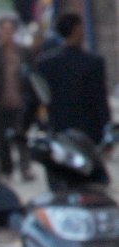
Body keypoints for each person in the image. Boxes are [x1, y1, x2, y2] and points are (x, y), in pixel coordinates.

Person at [31, 12, 111, 146]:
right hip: (90, 135)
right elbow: (100, 101)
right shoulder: (93, 63)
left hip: (59, 133)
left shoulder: (45, 64)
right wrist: (107, 130)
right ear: (77, 30)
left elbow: (35, 99)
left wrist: (26, 127)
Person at [0, 18, 34, 182]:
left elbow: (31, 75)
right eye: (4, 31)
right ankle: (7, 168)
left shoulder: (23, 52)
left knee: (21, 136)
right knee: (2, 140)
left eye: (10, 30)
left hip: (20, 101)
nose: (7, 34)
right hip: (0, 102)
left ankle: (25, 167)